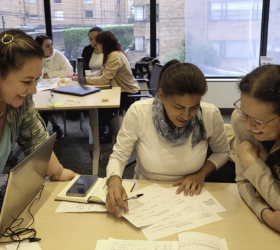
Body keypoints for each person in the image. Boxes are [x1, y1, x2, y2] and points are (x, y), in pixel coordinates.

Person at [105, 60, 230, 218]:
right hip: (147, 189)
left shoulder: (209, 114)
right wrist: (114, 181)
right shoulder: (139, 112)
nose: (186, 116)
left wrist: (202, 174)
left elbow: (222, 152)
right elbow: (119, 155)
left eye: (193, 107)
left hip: (190, 193)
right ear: (162, 96)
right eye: (178, 107)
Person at [0, 29, 75, 181]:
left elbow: (34, 138)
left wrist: (58, 173)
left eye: (36, 80)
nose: (33, 90)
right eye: (27, 81)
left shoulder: (21, 101)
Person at [231, 65, 280, 232]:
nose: (248, 125)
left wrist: (253, 165)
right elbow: (243, 181)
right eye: (244, 112)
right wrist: (265, 214)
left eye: (259, 121)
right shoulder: (240, 121)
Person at [85, 31, 140, 138]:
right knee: (98, 103)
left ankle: (105, 130)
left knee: (100, 107)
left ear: (103, 44)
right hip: (120, 90)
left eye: (98, 43)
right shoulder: (112, 54)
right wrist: (86, 77)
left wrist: (85, 81)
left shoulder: (114, 56)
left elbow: (104, 80)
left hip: (129, 94)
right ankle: (102, 128)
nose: (97, 46)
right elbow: (101, 71)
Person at [35, 35, 73, 139]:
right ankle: (49, 130)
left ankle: (49, 130)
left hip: (59, 88)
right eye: (47, 46)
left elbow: (70, 71)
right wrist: (41, 59)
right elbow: (38, 76)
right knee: (44, 104)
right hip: (41, 90)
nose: (51, 48)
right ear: (39, 48)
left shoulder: (58, 55)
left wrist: (49, 74)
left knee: (47, 103)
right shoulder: (35, 58)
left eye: (51, 44)